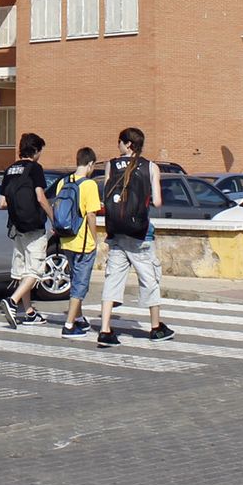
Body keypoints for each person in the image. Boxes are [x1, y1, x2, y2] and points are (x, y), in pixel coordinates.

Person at [96, 127, 173, 347]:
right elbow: (157, 202)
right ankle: (156, 327)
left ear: (128, 144)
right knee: (149, 279)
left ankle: (105, 330)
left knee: (113, 279)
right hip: (140, 233)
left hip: (117, 232)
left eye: (119, 142)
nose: (117, 146)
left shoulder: (111, 164)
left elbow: (106, 196)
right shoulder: (150, 166)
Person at [0, 132, 53, 329]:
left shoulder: (9, 170)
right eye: (40, 151)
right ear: (35, 150)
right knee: (35, 270)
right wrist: (53, 218)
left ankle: (28, 312)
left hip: (17, 227)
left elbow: (1, 203)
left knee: (24, 271)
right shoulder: (35, 168)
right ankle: (12, 301)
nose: (40, 155)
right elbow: (40, 197)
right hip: (34, 227)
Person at [52, 147, 102, 339]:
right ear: (90, 164)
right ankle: (69, 325)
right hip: (83, 242)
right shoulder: (89, 185)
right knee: (80, 284)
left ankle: (79, 317)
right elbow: (91, 215)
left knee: (75, 279)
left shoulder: (63, 182)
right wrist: (95, 239)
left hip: (66, 239)